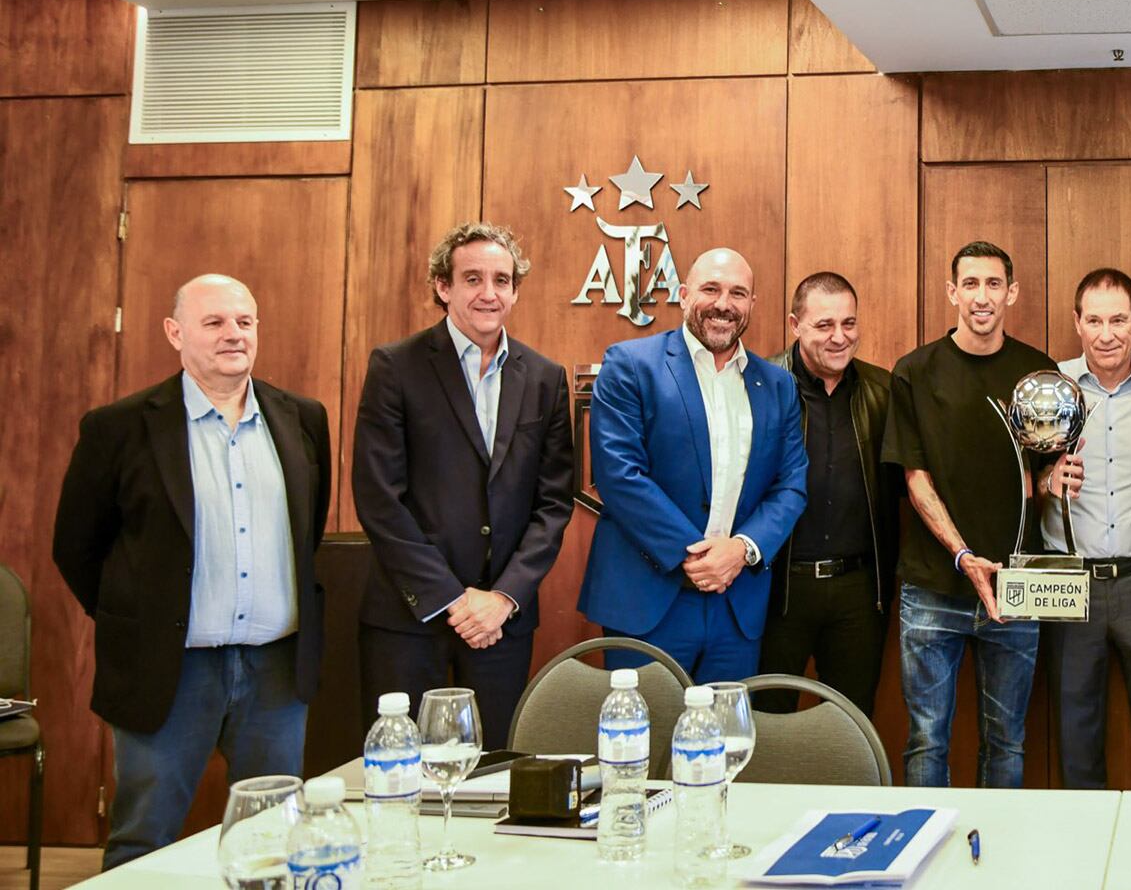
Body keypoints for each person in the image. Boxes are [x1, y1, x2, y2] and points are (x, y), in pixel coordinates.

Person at [53, 275, 330, 869]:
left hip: (276, 671)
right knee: (142, 840)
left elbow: (306, 532)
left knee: (275, 843)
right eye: (215, 323)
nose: (234, 334)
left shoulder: (303, 419)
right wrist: (138, 622)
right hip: (168, 670)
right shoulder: (119, 427)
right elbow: (75, 547)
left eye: (245, 322)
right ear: (175, 334)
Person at [352, 222, 576, 743]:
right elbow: (379, 498)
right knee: (400, 778)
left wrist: (503, 598)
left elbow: (553, 502)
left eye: (501, 280)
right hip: (409, 619)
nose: (488, 293)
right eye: (472, 278)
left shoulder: (543, 378)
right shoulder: (396, 367)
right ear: (443, 286)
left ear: (516, 291)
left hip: (502, 622)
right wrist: (454, 600)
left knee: (491, 779)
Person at [578, 247, 807, 682]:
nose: (724, 304)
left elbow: (791, 485)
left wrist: (739, 550)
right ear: (683, 295)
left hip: (736, 602)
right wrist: (698, 556)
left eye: (738, 293)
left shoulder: (777, 385)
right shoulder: (630, 364)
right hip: (649, 599)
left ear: (752, 304)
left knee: (724, 744)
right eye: (711, 289)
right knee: (642, 744)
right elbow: (619, 474)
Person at [885, 240, 1057, 787]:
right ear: (951, 291)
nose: (982, 297)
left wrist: (1055, 479)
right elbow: (916, 481)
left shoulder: (1039, 371)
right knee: (927, 740)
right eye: (971, 284)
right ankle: (923, 864)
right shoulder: (914, 371)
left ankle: (998, 865)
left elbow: (1043, 475)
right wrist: (964, 557)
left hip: (1017, 588)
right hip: (935, 587)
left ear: (1012, 292)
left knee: (1007, 742)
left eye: (993, 284)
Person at [1038, 267, 1131, 789]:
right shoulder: (1049, 384)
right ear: (1077, 323)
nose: (1107, 334)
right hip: (1067, 581)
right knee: (1075, 732)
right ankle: (1085, 861)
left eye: (1118, 319)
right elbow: (1008, 471)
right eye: (1094, 320)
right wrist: (1044, 480)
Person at [760, 272, 898, 716]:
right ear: (794, 324)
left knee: (852, 729)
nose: (840, 337)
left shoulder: (883, 390)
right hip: (777, 591)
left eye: (849, 323)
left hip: (858, 593)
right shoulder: (760, 386)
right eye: (824, 325)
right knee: (767, 722)